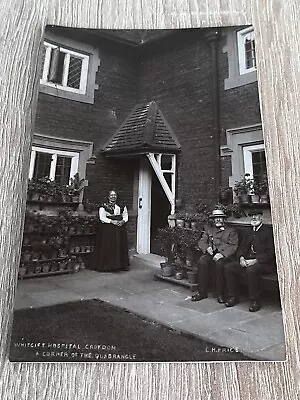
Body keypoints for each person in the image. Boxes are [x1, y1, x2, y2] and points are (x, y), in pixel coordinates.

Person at [224, 209, 275, 312]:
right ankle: (233, 296)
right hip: (247, 261)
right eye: (252, 216)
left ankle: (254, 300)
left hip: (264, 264)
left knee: (251, 270)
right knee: (228, 267)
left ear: (261, 217)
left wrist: (256, 260)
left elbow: (271, 253)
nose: (254, 218)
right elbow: (242, 248)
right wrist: (241, 257)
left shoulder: (268, 232)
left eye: (256, 216)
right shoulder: (249, 231)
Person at [191, 209, 238, 303]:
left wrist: (222, 254)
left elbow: (233, 246)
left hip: (225, 256)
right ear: (213, 220)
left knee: (219, 264)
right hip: (211, 253)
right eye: (215, 218)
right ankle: (202, 292)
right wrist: (207, 248)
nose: (218, 220)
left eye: (220, 218)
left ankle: (220, 294)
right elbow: (202, 241)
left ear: (224, 219)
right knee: (202, 262)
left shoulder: (231, 231)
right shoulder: (209, 229)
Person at [92, 190, 130, 272]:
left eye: (115, 195)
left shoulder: (121, 205)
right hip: (108, 229)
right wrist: (112, 221)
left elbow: (125, 216)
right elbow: (102, 218)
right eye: (111, 195)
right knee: (109, 246)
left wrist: (123, 221)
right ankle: (107, 266)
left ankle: (121, 265)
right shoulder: (103, 206)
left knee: (120, 246)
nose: (113, 196)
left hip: (120, 229)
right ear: (108, 197)